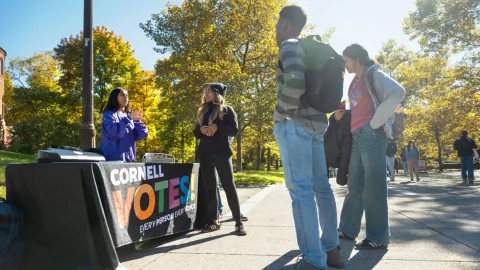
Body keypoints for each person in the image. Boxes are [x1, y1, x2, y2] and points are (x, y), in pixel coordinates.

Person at [273, 6, 343, 269]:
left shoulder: (289, 45)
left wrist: (280, 113)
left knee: (300, 191)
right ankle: (331, 249)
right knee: (322, 189)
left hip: (295, 124)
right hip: (317, 126)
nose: (276, 31)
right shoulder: (311, 47)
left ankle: (314, 259)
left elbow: (294, 83)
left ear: (286, 24)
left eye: (277, 25)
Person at [337, 44, 404, 250]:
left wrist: (376, 122)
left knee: (373, 186)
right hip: (358, 135)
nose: (345, 64)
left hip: (372, 134)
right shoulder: (355, 81)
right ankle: (348, 229)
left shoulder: (373, 73)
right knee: (355, 184)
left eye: (346, 60)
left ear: (356, 58)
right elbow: (360, 107)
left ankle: (378, 237)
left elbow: (398, 92)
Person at [193, 82, 246, 236]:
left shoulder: (227, 110)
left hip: (222, 152)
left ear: (217, 93)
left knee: (229, 186)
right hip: (204, 152)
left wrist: (217, 127)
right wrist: (201, 129)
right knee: (209, 187)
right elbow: (196, 132)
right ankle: (213, 221)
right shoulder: (203, 110)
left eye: (209, 90)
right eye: (205, 91)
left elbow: (234, 130)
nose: (206, 93)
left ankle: (238, 222)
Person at [99, 87, 148, 162]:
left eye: (127, 95)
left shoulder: (128, 116)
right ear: (115, 98)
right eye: (122, 95)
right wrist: (128, 119)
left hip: (128, 162)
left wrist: (137, 121)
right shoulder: (108, 115)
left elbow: (142, 134)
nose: (126, 97)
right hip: (111, 161)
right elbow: (114, 134)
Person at [217, 137, 248, 221]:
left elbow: (232, 131)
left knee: (229, 184)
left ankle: (236, 213)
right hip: (208, 150)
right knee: (214, 183)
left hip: (223, 150)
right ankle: (217, 211)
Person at [325, 101, 353, 186]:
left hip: (333, 155)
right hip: (332, 155)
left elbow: (346, 153)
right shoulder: (334, 122)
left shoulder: (342, 125)